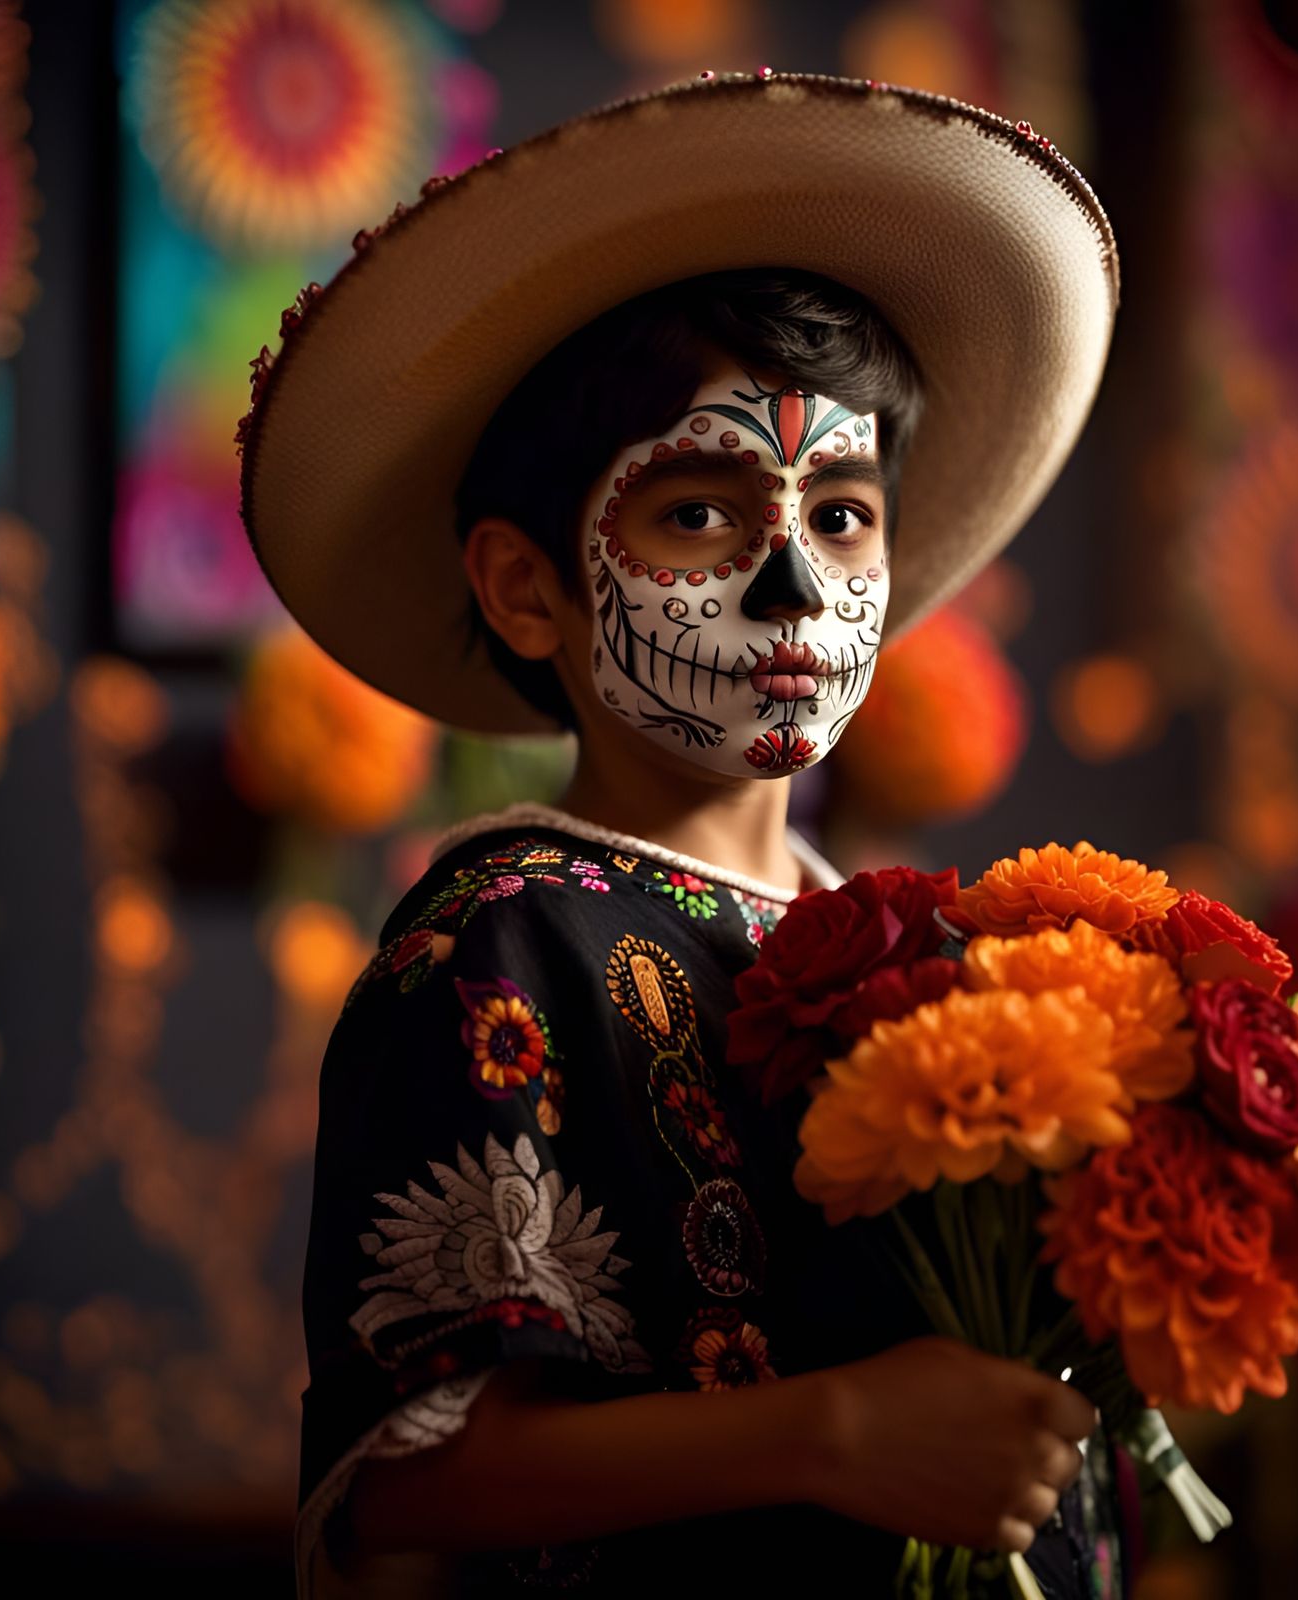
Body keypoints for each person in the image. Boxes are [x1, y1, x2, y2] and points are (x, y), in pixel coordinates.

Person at [239, 70, 1123, 1598]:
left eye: (840, 514)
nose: (794, 587)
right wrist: (833, 1432)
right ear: (528, 589)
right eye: (701, 514)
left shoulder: (951, 966)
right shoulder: (497, 940)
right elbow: (409, 1471)